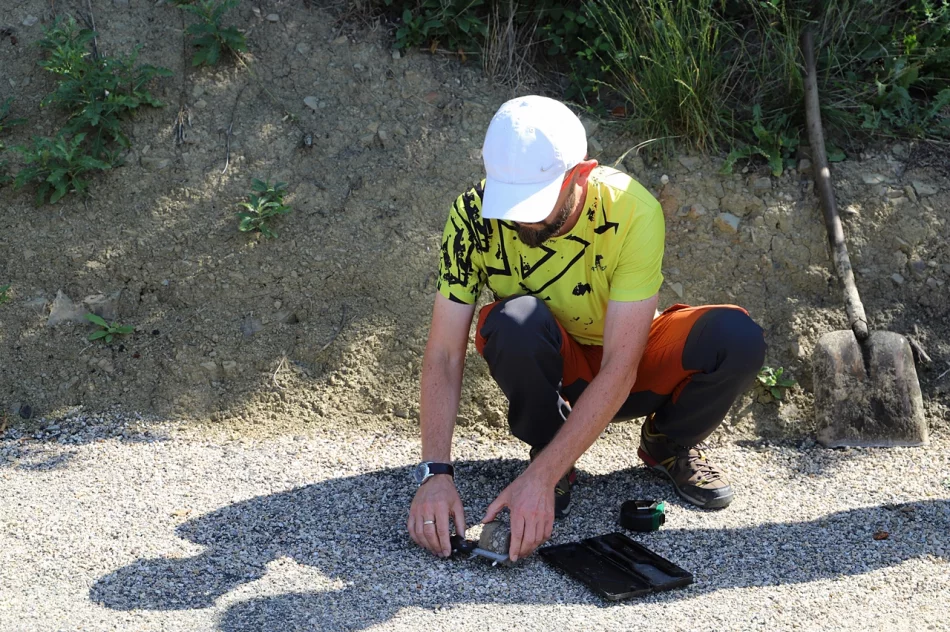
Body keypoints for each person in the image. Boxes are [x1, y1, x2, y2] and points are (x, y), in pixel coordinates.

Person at [407, 95, 766, 563]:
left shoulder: (632, 210)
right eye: (509, 200)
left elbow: (621, 366)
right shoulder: (471, 216)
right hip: (556, 367)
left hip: (628, 366)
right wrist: (435, 474)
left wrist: (538, 483)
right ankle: (551, 449)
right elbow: (443, 355)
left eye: (533, 203)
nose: (519, 219)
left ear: (581, 174)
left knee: (736, 337)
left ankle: (666, 444)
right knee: (512, 322)